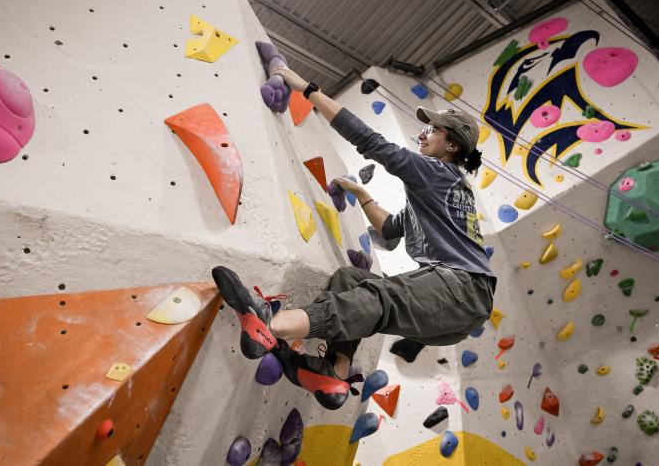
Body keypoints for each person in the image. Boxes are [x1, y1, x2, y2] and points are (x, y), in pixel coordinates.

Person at [212, 67, 495, 410]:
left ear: (451, 144)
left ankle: (273, 324)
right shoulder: (442, 192)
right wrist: (362, 194)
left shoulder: (437, 172)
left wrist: (310, 90)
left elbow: (372, 142)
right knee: (350, 279)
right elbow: (391, 228)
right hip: (461, 308)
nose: (422, 134)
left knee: (380, 297)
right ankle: (336, 371)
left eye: (432, 130)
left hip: (459, 289)